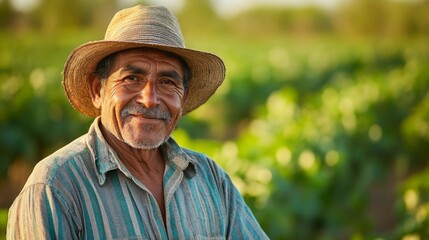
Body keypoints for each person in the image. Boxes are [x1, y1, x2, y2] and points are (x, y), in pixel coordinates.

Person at [7, 5, 269, 240]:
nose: (150, 99)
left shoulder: (211, 179)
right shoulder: (55, 187)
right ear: (98, 90)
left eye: (167, 82)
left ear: (183, 97)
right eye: (132, 78)